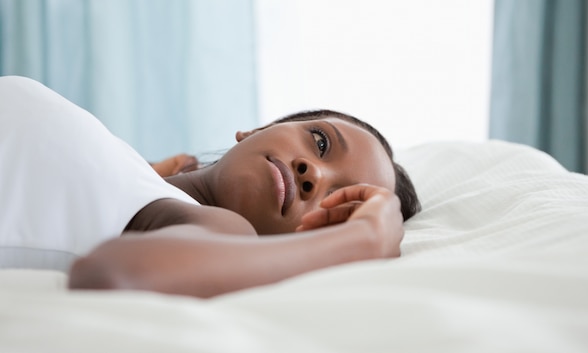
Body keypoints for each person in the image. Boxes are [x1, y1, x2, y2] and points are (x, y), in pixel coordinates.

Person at [0, 76, 420, 298]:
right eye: (321, 141)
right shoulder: (134, 170)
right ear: (258, 129)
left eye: (335, 200)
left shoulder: (220, 227)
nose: (314, 174)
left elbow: (115, 275)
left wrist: (363, 239)